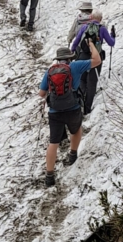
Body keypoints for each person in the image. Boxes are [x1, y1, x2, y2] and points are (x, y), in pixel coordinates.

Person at [39, 44, 101, 187]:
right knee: (76, 129)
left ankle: (49, 175)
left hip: (54, 111)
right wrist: (91, 43)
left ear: (58, 59)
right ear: (69, 58)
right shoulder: (76, 66)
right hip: (73, 108)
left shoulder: (49, 71)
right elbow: (97, 60)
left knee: (53, 142)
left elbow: (41, 94)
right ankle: (72, 154)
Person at [71, 9, 116, 115]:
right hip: (96, 58)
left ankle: (79, 103)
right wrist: (113, 35)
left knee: (81, 80)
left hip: (83, 56)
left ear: (91, 18)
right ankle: (87, 109)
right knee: (92, 83)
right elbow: (111, 43)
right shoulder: (102, 29)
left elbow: (76, 41)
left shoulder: (84, 27)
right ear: (100, 19)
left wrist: (72, 52)